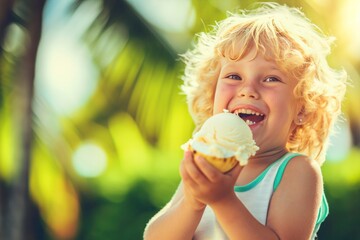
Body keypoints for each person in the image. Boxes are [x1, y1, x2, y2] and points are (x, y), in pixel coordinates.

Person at [143, 2, 347, 240]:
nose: (247, 90)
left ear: (302, 108)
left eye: (271, 78)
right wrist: (193, 202)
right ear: (212, 95)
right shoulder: (207, 164)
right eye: (233, 76)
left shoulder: (296, 171)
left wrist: (223, 201)